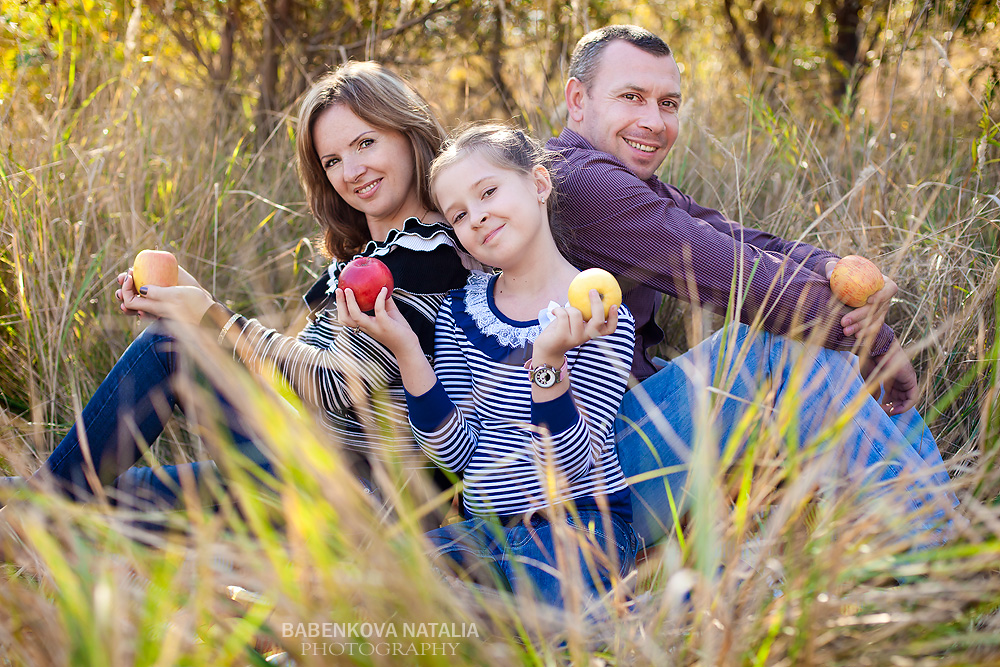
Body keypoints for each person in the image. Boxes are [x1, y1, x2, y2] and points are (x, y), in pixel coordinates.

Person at [545, 25, 955, 545]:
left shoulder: (625, 179)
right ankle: (942, 552)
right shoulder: (581, 184)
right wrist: (874, 338)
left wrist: (834, 271)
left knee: (825, 343)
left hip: (633, 428)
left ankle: (945, 537)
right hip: (592, 476)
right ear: (577, 100)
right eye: (631, 97)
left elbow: (737, 238)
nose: (654, 121)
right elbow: (739, 276)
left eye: (668, 103)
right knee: (778, 347)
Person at [11, 61, 470, 514]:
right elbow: (294, 380)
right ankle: (29, 511)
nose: (351, 171)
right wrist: (181, 295)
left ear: (408, 133)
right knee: (83, 491)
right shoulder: (372, 256)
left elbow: (333, 386)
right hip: (309, 460)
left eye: (365, 143)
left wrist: (211, 318)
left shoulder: (425, 254)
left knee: (168, 346)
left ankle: (25, 524)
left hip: (361, 497)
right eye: (332, 160)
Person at [340, 124, 638, 609]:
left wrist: (547, 361)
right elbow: (459, 455)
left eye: (489, 192)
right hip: (487, 533)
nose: (476, 217)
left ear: (539, 185)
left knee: (552, 623)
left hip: (576, 523)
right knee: (374, 585)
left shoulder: (596, 311)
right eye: (459, 214)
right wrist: (407, 350)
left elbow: (567, 469)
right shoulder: (460, 313)